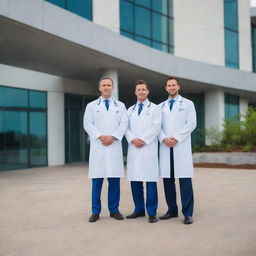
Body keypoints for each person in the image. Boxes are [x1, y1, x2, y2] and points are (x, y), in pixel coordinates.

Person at [83, 76, 128, 223]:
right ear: (100, 88)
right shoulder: (91, 106)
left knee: (114, 181)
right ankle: (95, 211)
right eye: (104, 85)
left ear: (113, 87)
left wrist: (113, 137)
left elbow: (124, 124)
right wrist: (100, 137)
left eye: (109, 85)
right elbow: (88, 124)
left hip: (114, 146)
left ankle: (114, 210)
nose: (107, 87)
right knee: (97, 181)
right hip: (98, 146)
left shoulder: (120, 106)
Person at [158, 76, 197, 224]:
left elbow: (191, 124)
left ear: (178, 87)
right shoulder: (160, 106)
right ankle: (172, 210)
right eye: (169, 85)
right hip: (166, 146)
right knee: (168, 181)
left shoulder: (188, 104)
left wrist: (175, 138)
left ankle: (187, 213)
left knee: (185, 180)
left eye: (174, 85)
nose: (171, 87)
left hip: (180, 146)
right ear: (166, 88)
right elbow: (157, 126)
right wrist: (164, 139)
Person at [125, 80, 161, 223]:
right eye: (139, 89)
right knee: (135, 180)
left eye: (143, 89)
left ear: (148, 92)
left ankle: (151, 212)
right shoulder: (129, 110)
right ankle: (138, 210)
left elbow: (156, 127)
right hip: (134, 148)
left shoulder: (155, 108)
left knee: (150, 181)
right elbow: (125, 127)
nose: (141, 92)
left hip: (148, 148)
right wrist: (133, 139)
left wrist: (143, 140)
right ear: (135, 92)